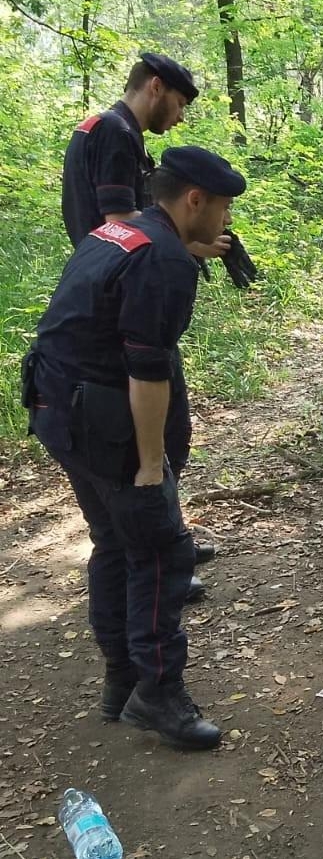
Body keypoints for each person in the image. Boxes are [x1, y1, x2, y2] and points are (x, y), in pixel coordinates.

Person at [24, 146, 246, 749]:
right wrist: (152, 462)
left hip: (58, 411)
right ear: (194, 200)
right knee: (159, 551)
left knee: (115, 545)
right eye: (222, 207)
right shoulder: (163, 260)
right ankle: (157, 694)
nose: (226, 220)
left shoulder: (120, 231)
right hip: (104, 424)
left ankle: (120, 681)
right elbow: (146, 371)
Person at [61, 51, 235, 597]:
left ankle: (165, 536)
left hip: (100, 296)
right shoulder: (115, 132)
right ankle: (161, 557)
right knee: (157, 436)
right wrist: (193, 243)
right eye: (180, 104)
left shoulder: (100, 127)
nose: (180, 117)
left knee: (160, 435)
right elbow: (120, 223)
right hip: (126, 304)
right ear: (155, 88)